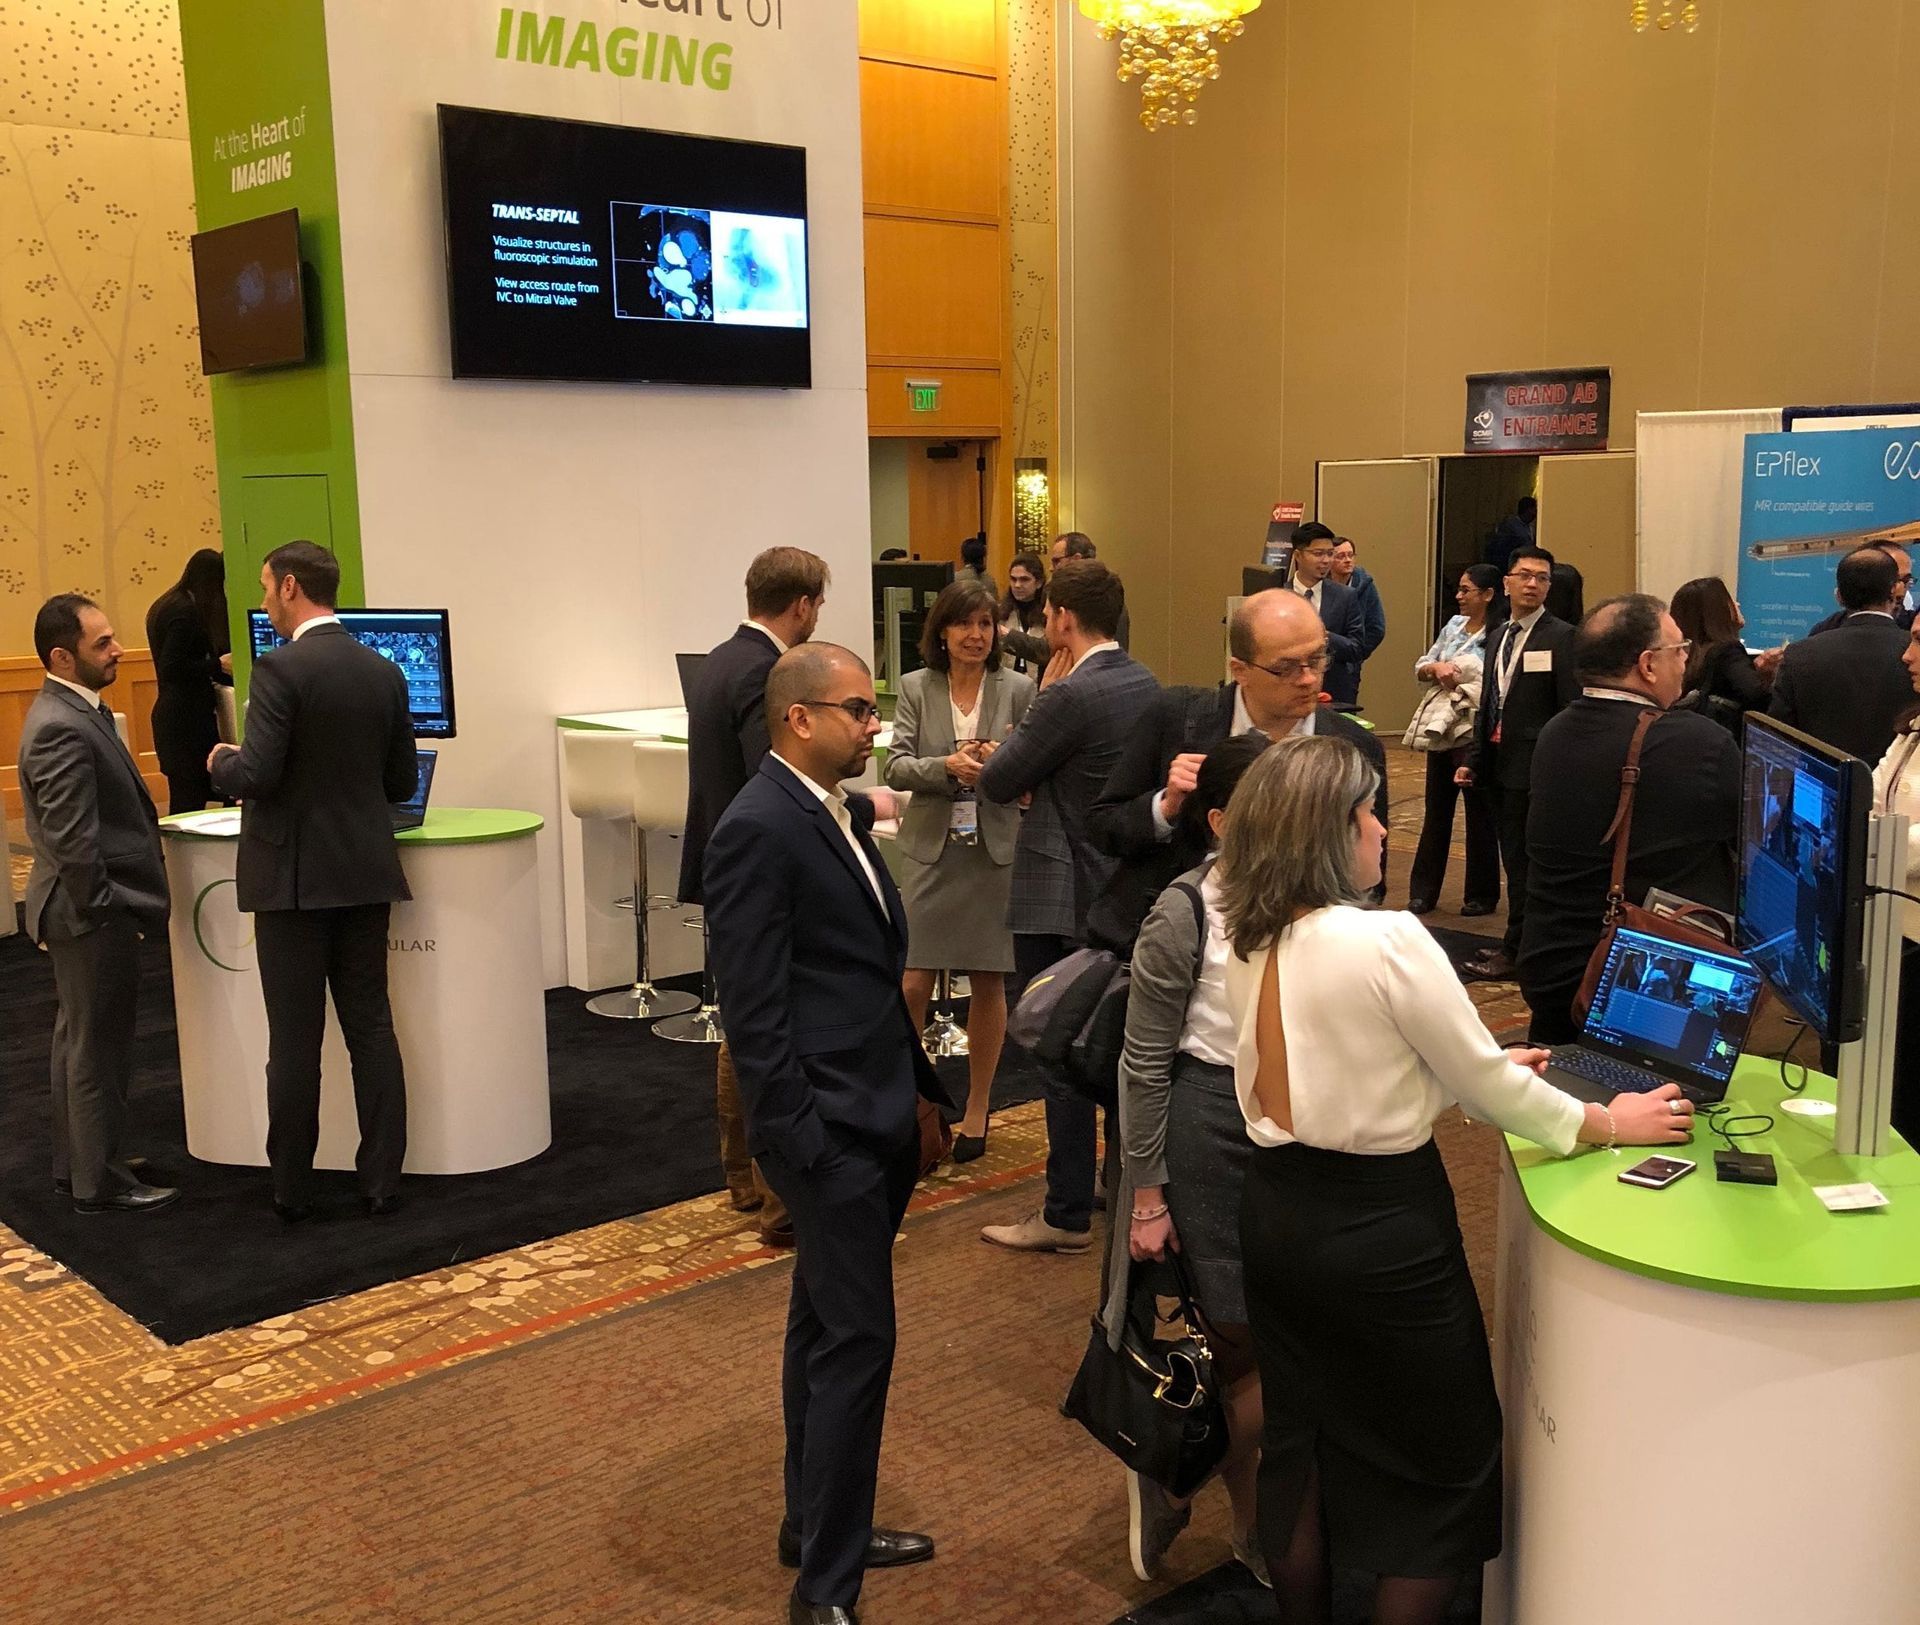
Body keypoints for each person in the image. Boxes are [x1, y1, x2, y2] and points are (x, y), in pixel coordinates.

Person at [1217, 734, 1695, 1625]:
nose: (1381, 829)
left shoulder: (1250, 933)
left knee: (1304, 1444)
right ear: (1326, 832)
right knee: (1442, 1463)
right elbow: (1482, 1086)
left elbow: (1345, 1066)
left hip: (1278, 1210)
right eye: (1366, 812)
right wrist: (1607, 1121)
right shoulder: (1388, 938)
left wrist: (1468, 1067)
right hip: (1381, 1230)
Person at [701, 642, 943, 1625]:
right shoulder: (758, 825)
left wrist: (920, 1090)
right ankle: (825, 1590)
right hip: (827, 1135)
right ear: (799, 717)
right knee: (858, 1343)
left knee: (821, 1328)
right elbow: (751, 1011)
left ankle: (814, 1526)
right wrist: (800, 1139)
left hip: (870, 1113)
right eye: (856, 708)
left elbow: (865, 971)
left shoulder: (829, 809)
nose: (873, 723)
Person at [1106, 734, 1274, 1587]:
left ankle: (1204, 1488)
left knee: (1278, 1349)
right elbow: (1142, 1062)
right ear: (1221, 820)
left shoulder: (1318, 900)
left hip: (1289, 1136)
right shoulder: (1186, 909)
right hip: (1207, 1135)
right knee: (1241, 1346)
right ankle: (1213, 1498)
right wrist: (1146, 1198)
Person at [208, 542, 419, 1220]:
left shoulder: (278, 670)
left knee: (294, 1043)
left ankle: (292, 1190)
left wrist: (221, 762)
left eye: (268, 587)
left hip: (293, 884)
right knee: (372, 1031)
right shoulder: (384, 670)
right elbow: (400, 782)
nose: (266, 600)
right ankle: (382, 1180)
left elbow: (259, 773)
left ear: (291, 587)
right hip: (364, 873)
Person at [976, 559, 1160, 1253]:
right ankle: (1116, 1181)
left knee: (1057, 1050)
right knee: (1116, 1044)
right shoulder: (1143, 680)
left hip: (1058, 890)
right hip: (1118, 886)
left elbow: (998, 779)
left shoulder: (1067, 692)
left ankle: (1063, 1211)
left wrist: (1033, 721)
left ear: (1060, 619)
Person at [1086, 589, 1387, 951]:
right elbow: (1103, 827)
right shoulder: (1179, 720)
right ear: (1240, 670)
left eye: (1317, 659)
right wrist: (1165, 807)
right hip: (1177, 944)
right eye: (1286, 668)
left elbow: (1372, 876)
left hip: (1302, 951)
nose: (1308, 679)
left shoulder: (1353, 747)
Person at [680, 546, 830, 1245]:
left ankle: (741, 1174)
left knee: (742, 1026)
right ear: (802, 605)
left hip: (720, 867)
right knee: (770, 1030)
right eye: (817, 606)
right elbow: (764, 784)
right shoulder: (768, 674)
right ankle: (779, 1199)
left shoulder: (714, 660)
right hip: (760, 874)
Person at [1517, 595, 1741, 1043]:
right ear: (1647, 665)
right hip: (1636, 986)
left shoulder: (1556, 732)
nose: (1685, 661)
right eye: (1679, 649)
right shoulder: (1698, 743)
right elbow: (1758, 837)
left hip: (1552, 967)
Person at [18, 594, 177, 1214]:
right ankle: (98, 1183)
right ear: (63, 655)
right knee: (96, 1047)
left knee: (79, 1038)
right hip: (89, 911)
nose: (118, 651)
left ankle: (79, 1163)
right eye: (103, 643)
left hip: (82, 907)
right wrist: (108, 908)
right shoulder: (60, 724)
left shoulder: (73, 711)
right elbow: (73, 842)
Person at [884, 580, 1036, 1160]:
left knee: (989, 980)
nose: (977, 635)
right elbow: (895, 766)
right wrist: (945, 768)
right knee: (912, 980)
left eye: (987, 624)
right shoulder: (915, 687)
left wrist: (1004, 764)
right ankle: (909, 1101)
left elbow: (1035, 764)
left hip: (994, 849)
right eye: (965, 625)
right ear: (941, 632)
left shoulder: (1018, 688)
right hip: (932, 847)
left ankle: (977, 1109)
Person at [1455, 545, 1578, 981]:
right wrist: (1474, 758)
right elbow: (1490, 702)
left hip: (1536, 772)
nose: (1532, 584)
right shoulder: (1499, 634)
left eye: (1542, 578)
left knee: (1527, 868)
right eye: (1524, 575)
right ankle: (1517, 944)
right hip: (1496, 766)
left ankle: (1519, 951)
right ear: (1506, 582)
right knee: (1512, 861)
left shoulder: (1562, 637)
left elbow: (1570, 711)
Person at [1406, 564, 1501, 917]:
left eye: (1466, 590)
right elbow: (1423, 664)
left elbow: (1489, 682)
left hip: (1474, 731)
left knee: (1479, 815)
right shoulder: (1453, 626)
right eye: (1459, 590)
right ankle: (1423, 892)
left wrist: (1456, 679)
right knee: (1437, 811)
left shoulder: (1499, 633)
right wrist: (1436, 670)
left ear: (1489, 594)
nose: (1459, 597)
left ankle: (1481, 894)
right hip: (1440, 730)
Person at [1769, 546, 1914, 770]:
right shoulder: (1913, 654)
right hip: (1898, 791)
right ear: (1895, 590)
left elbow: (1778, 742)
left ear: (1838, 596)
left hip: (1820, 790)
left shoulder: (1800, 655)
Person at [1871, 621, 1920, 1149]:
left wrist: (1878, 847)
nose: (1906, 655)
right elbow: (1874, 796)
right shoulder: (1911, 726)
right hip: (1890, 936)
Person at [145, 548, 233, 816]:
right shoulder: (185, 613)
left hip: (177, 719)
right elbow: (173, 666)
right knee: (190, 802)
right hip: (186, 723)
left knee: (189, 799)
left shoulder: (168, 605)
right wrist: (218, 664)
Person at [1670, 575, 1779, 736]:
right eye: (1730, 600)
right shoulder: (1728, 651)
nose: (1737, 604)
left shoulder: (1684, 654)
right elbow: (1758, 698)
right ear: (1718, 609)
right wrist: (1767, 675)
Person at [1004, 531, 1130, 659]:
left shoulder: (1099, 597)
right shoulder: (1104, 592)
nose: (1051, 568)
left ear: (1076, 559)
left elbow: (1048, 650)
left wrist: (1006, 634)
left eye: (1056, 561)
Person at [1288, 523, 1368, 709]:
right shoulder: (1279, 595)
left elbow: (1357, 648)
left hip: (1334, 693)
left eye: (1330, 553)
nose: (1325, 560)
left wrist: (1325, 635)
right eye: (1318, 554)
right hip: (1288, 691)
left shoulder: (1345, 596)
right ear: (1298, 555)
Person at [1808, 539, 1914, 634]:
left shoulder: (1915, 629)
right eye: (1894, 580)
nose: (1900, 590)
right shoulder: (1826, 629)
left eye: (1906, 580)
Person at [1329, 537, 1387, 681]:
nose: (1347, 560)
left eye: (1351, 555)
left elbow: (1376, 628)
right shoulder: (1320, 584)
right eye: (1341, 556)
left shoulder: (1365, 584)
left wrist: (1357, 656)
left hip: (1350, 664)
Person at [998, 551, 1047, 676]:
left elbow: (1046, 651)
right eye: (1013, 579)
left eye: (1024, 579)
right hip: (1008, 681)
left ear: (1039, 582)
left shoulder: (1049, 614)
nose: (1017, 585)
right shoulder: (1001, 613)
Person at [1483, 495, 1537, 573]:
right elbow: (1501, 550)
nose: (1535, 512)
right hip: (1509, 566)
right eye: (1534, 509)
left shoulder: (1530, 526)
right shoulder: (1510, 526)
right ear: (1528, 509)